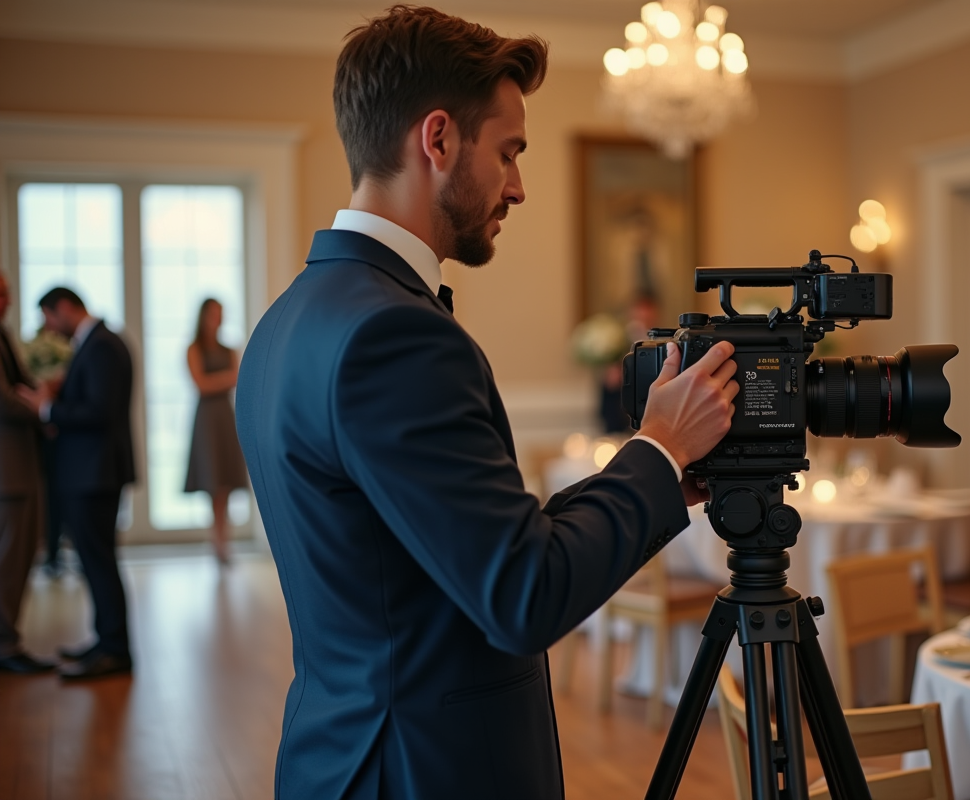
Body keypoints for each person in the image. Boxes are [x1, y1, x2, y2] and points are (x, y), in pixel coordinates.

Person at [235, 7, 739, 798]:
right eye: (508, 152)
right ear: (437, 139)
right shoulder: (395, 333)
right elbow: (522, 594)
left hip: (341, 753)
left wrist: (660, 479)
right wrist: (661, 447)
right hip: (423, 770)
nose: (519, 187)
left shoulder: (286, 320)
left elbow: (476, 549)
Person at [19, 288, 135, 679]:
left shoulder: (102, 345)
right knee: (94, 561)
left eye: (49, 318)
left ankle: (114, 649)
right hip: (90, 471)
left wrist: (47, 409)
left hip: (94, 473)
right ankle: (106, 641)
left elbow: (99, 411)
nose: (49, 328)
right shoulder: (97, 343)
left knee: (99, 562)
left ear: (65, 308)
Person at [0, 274, 55, 673]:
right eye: (0, 293)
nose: (7, 300)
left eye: (7, 293)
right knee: (10, 557)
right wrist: (43, 410)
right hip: (8, 470)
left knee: (18, 557)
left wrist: (43, 392)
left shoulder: (4, 335)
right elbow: (5, 399)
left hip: (19, 463)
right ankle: (5, 645)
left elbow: (20, 383)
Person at [183, 298, 248, 564]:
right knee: (212, 480)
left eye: (221, 314)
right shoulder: (194, 348)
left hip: (225, 416)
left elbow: (236, 378)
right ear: (203, 316)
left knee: (226, 482)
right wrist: (226, 378)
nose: (218, 319)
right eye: (214, 314)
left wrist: (219, 380)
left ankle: (224, 542)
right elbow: (201, 384)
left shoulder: (228, 349)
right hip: (207, 419)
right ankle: (216, 542)